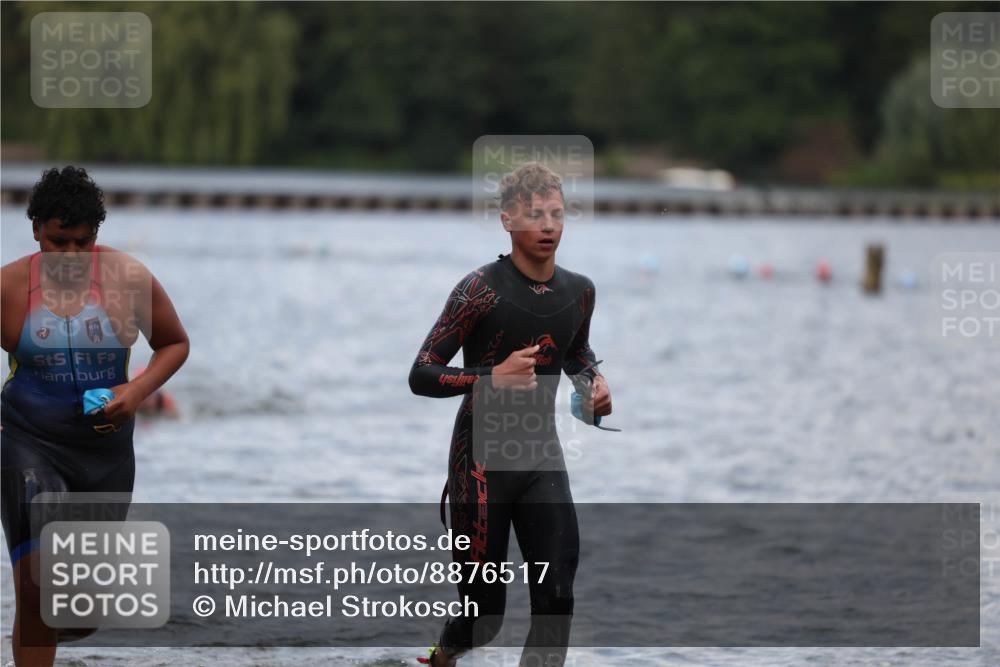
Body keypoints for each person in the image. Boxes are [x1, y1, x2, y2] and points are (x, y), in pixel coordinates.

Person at [409, 163, 612, 666]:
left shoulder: (580, 291)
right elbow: (422, 373)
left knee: (557, 599)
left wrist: (593, 385)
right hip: (479, 464)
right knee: (484, 618)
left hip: (542, 458)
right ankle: (442, 657)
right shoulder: (478, 290)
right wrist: (490, 376)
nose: (548, 226)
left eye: (556, 214)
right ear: (507, 220)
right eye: (534, 215)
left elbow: (576, 352)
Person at [1, 166, 189, 666]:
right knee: (38, 586)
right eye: (57, 242)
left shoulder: (129, 279)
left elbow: (174, 342)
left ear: (96, 235)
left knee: (79, 612)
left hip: (105, 455)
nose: (70, 256)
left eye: (82, 244)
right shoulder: (9, 286)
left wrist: (136, 391)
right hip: (27, 443)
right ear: (36, 230)